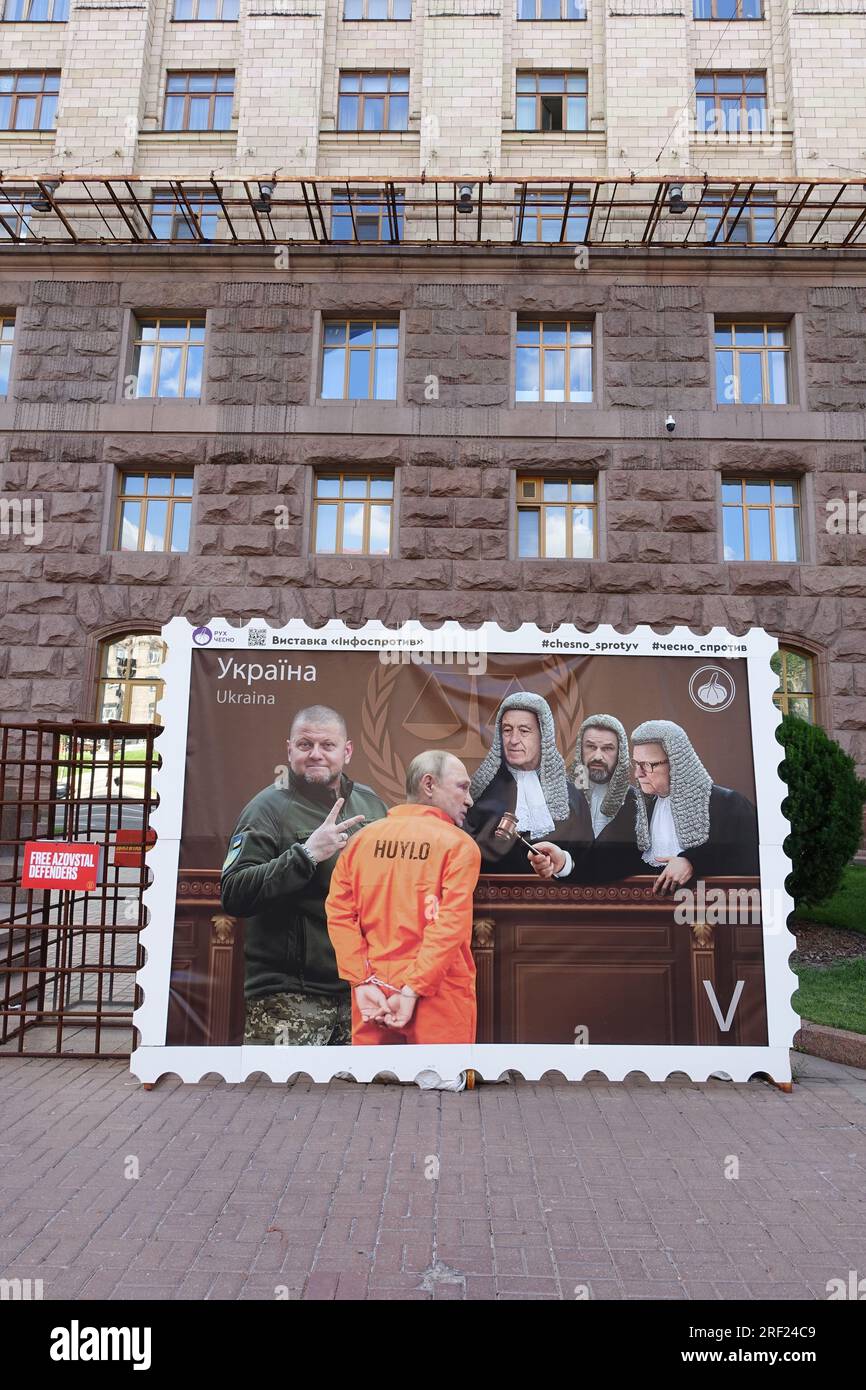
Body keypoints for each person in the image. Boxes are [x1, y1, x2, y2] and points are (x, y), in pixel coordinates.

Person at [220, 704, 388, 1046]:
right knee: (286, 1098)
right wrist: (306, 855)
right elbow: (234, 892)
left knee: (351, 1099)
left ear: (347, 751)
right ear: (289, 749)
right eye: (305, 745)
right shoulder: (267, 808)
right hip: (289, 998)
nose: (316, 755)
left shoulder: (371, 805)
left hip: (359, 990)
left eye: (327, 745)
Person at [325, 750, 481, 1055]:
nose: (470, 800)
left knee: (372, 1099)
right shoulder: (460, 846)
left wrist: (362, 982)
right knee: (442, 1097)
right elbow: (450, 927)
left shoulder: (360, 842)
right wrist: (412, 990)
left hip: (374, 1002)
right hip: (439, 1001)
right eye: (462, 787)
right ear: (429, 784)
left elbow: (339, 914)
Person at [465, 692, 592, 875]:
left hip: (557, 899)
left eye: (524, 731)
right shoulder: (479, 793)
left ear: (543, 736)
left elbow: (587, 858)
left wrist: (562, 864)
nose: (513, 740)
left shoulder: (571, 798)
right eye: (507, 730)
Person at [629, 718, 760, 893]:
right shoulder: (639, 809)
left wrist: (692, 862)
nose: (638, 773)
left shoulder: (729, 804)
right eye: (636, 764)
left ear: (677, 763)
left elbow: (751, 860)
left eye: (647, 765)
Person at [568, 715, 644, 882]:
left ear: (620, 754)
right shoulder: (560, 794)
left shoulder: (639, 803)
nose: (597, 756)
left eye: (607, 749)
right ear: (580, 749)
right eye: (590, 747)